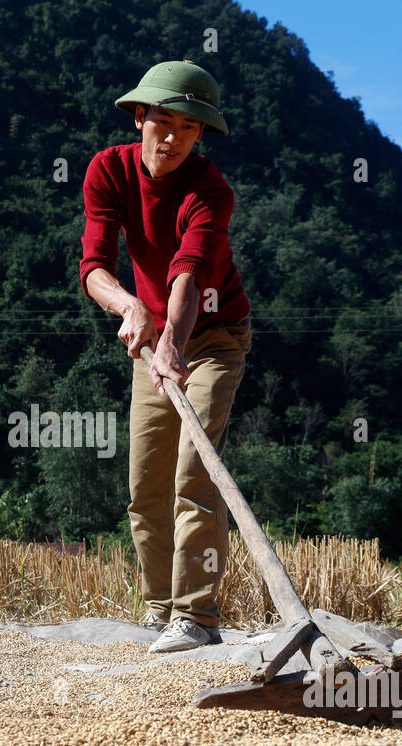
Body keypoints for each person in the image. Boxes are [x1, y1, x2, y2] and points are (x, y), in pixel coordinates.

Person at [79, 59, 252, 652]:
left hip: (214, 336)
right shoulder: (108, 170)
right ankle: (160, 610)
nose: (173, 137)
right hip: (150, 338)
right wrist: (131, 310)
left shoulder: (211, 190)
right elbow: (93, 267)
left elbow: (189, 269)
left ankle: (197, 617)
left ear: (200, 136)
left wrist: (173, 343)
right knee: (146, 484)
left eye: (188, 127)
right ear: (140, 117)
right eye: (162, 121)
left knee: (194, 473)